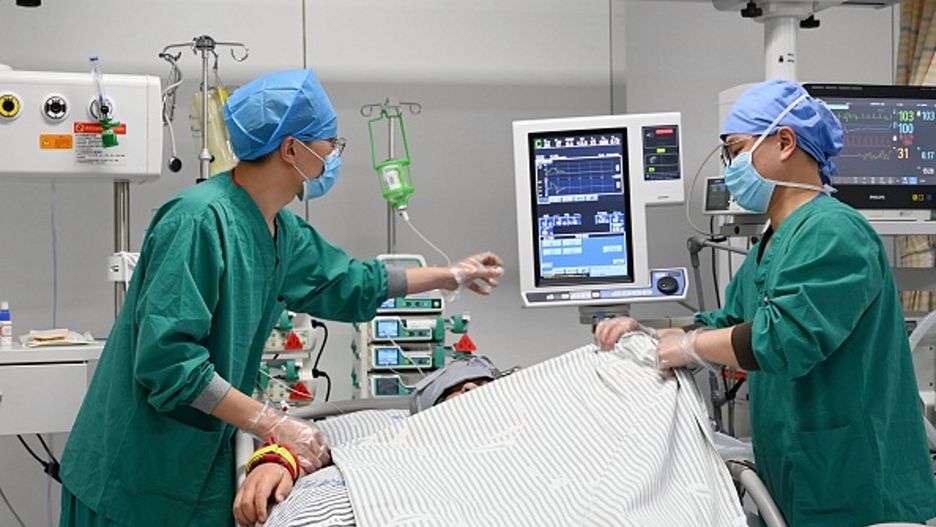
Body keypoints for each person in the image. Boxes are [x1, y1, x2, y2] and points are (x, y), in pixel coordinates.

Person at [58, 69, 504, 527]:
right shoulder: (197, 221)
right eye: (329, 142)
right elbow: (167, 362)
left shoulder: (281, 229)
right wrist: (272, 423)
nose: (333, 154)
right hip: (131, 473)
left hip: (198, 466)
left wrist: (450, 275)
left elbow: (350, 282)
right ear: (291, 149)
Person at [595, 79, 936, 526]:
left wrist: (690, 347)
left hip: (859, 483)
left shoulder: (834, 232)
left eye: (736, 150)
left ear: (785, 142)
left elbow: (784, 340)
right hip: (805, 474)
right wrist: (651, 335)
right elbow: (728, 322)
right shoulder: (772, 241)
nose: (731, 167)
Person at [233, 355, 505, 526]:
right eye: (466, 389)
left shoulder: (508, 455)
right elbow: (306, 442)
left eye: (488, 391)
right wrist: (276, 462)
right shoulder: (388, 432)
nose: (476, 396)